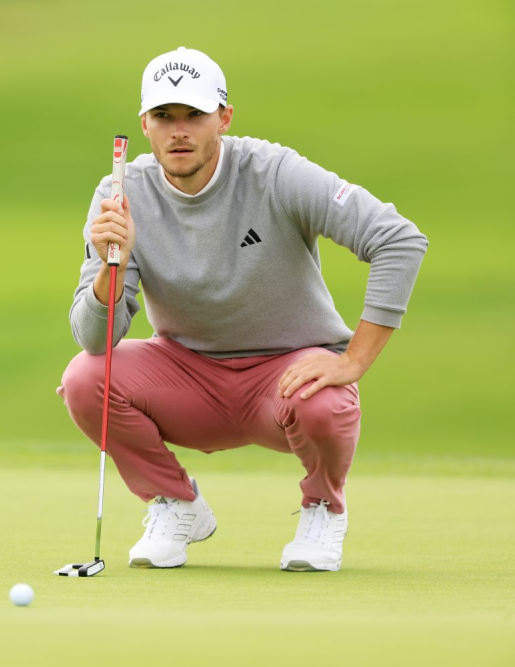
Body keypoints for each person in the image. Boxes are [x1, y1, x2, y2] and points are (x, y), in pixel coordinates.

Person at [57, 47, 428, 572]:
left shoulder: (274, 172)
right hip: (188, 378)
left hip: (284, 376)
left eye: (195, 115)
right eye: (164, 116)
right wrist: (110, 271)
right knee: (84, 378)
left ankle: (323, 507)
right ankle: (177, 504)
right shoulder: (121, 193)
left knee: (325, 402)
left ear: (224, 118)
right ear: (145, 123)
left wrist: (353, 361)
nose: (178, 131)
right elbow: (96, 340)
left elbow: (399, 240)